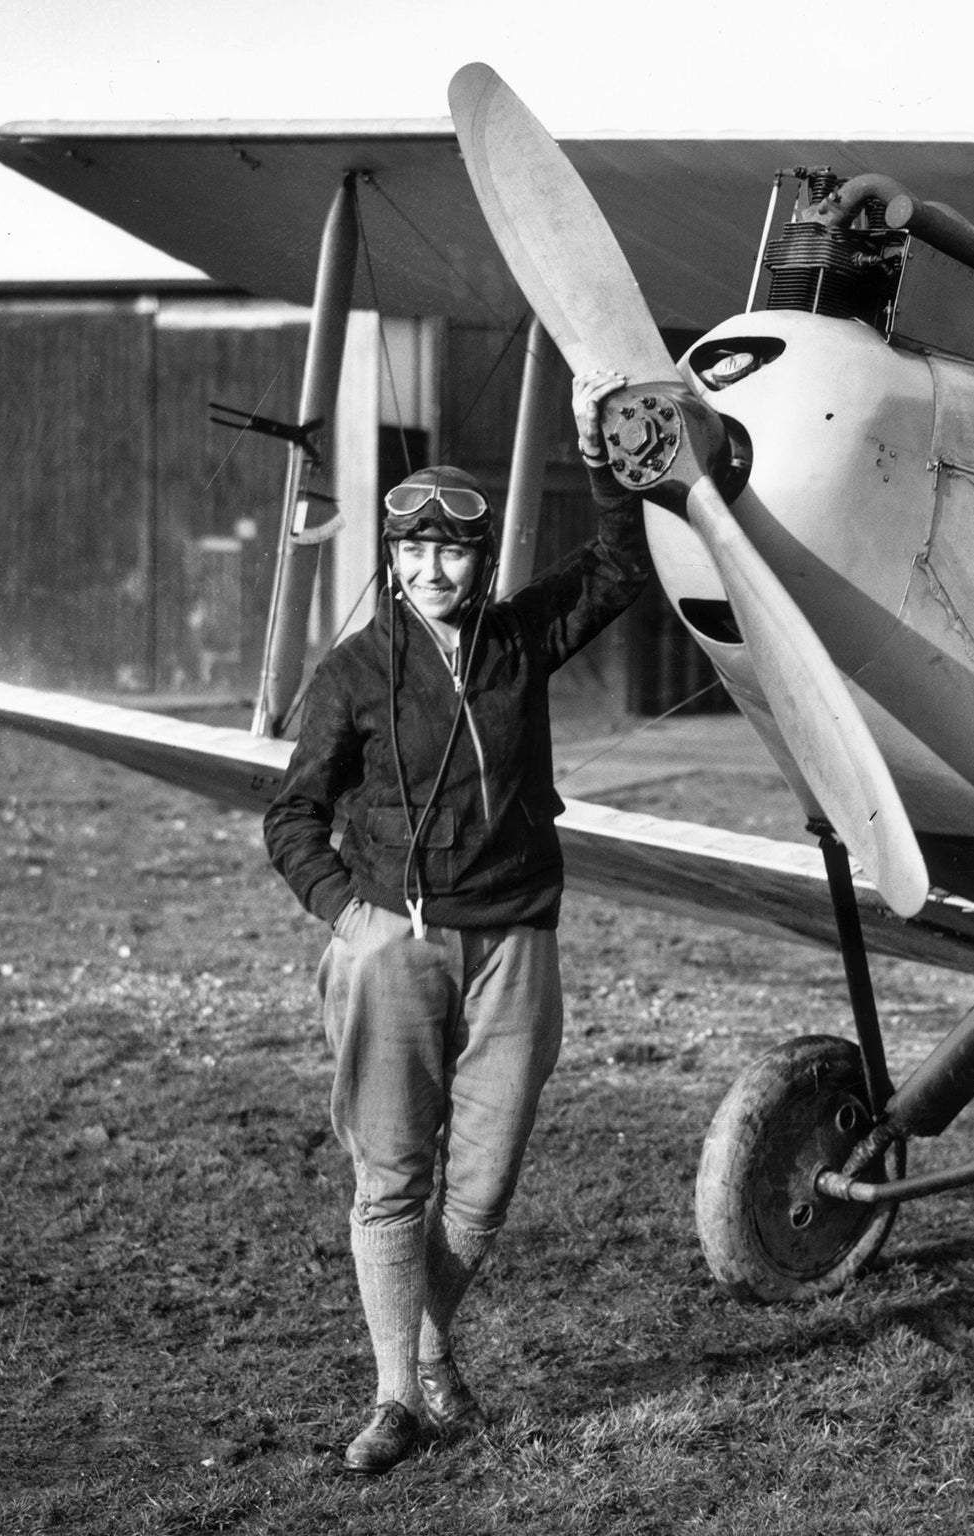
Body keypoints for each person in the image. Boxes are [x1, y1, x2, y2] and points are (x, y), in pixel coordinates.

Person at [264, 368, 646, 1474]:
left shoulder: (518, 643)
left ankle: (426, 1345)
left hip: (516, 941)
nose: (435, 568)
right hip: (397, 944)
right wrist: (352, 921)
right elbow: (291, 816)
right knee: (391, 1174)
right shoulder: (351, 674)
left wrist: (597, 450)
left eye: (456, 550)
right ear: (391, 558)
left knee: (478, 1186)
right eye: (414, 549)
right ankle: (399, 1397)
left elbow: (621, 565)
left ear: (481, 561)